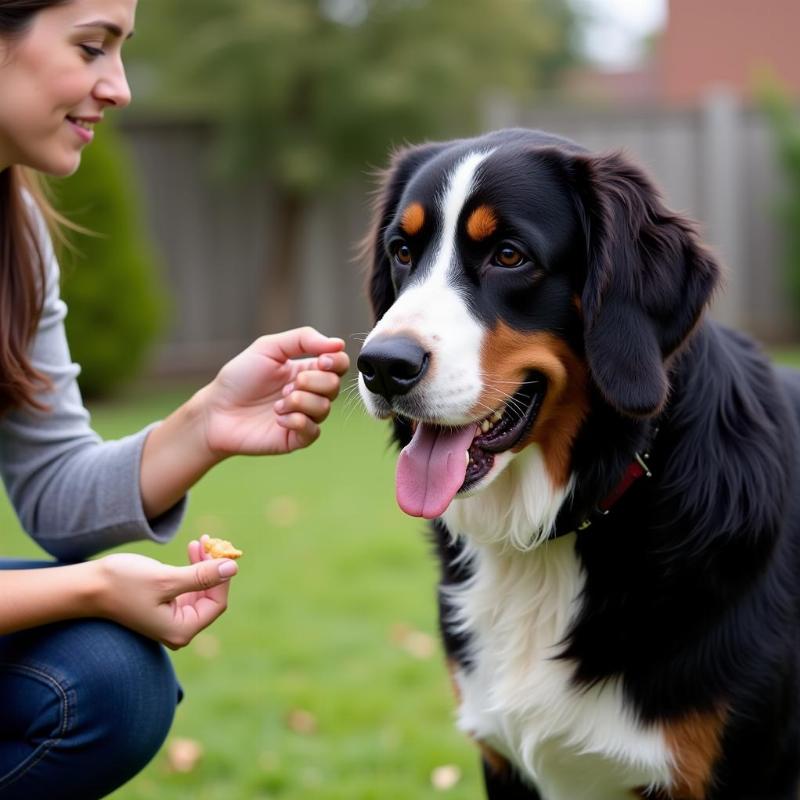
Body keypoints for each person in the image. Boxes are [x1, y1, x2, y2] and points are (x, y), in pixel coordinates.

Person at [0, 1, 351, 798]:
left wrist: (208, 423)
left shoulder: (14, 229)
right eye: (92, 47)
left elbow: (54, 492)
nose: (118, 87)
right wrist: (93, 586)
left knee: (112, 680)